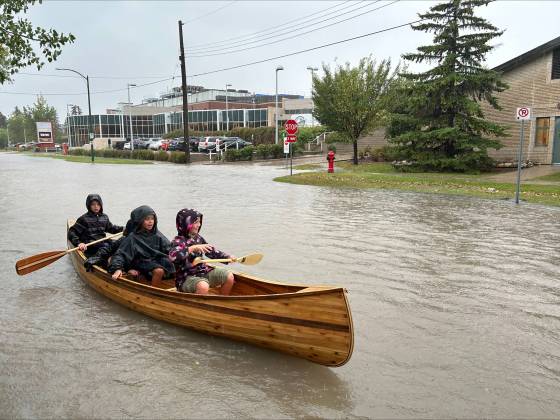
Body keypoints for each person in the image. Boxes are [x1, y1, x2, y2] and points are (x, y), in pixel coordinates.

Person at [169, 208, 235, 295]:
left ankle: (222, 303)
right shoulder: (177, 241)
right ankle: (199, 307)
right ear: (186, 223)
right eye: (195, 222)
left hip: (203, 271)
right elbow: (172, 256)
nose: (199, 225)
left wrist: (227, 257)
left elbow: (211, 251)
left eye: (199, 222)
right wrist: (192, 248)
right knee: (203, 286)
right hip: (185, 278)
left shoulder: (198, 238)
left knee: (229, 277)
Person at [108, 205, 175, 286]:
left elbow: (170, 248)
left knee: (172, 264)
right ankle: (153, 293)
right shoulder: (133, 237)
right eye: (147, 219)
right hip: (139, 262)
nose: (150, 221)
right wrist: (117, 269)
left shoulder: (157, 234)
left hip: (154, 260)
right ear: (140, 221)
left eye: (152, 219)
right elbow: (121, 254)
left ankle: (175, 287)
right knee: (159, 271)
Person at [67, 194, 123, 264]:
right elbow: (71, 232)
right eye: (93, 204)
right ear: (89, 206)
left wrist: (123, 229)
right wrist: (79, 243)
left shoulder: (104, 217)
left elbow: (111, 228)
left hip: (103, 243)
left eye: (98, 204)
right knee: (105, 250)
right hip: (90, 246)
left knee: (120, 245)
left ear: (101, 205)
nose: (96, 206)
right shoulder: (83, 219)